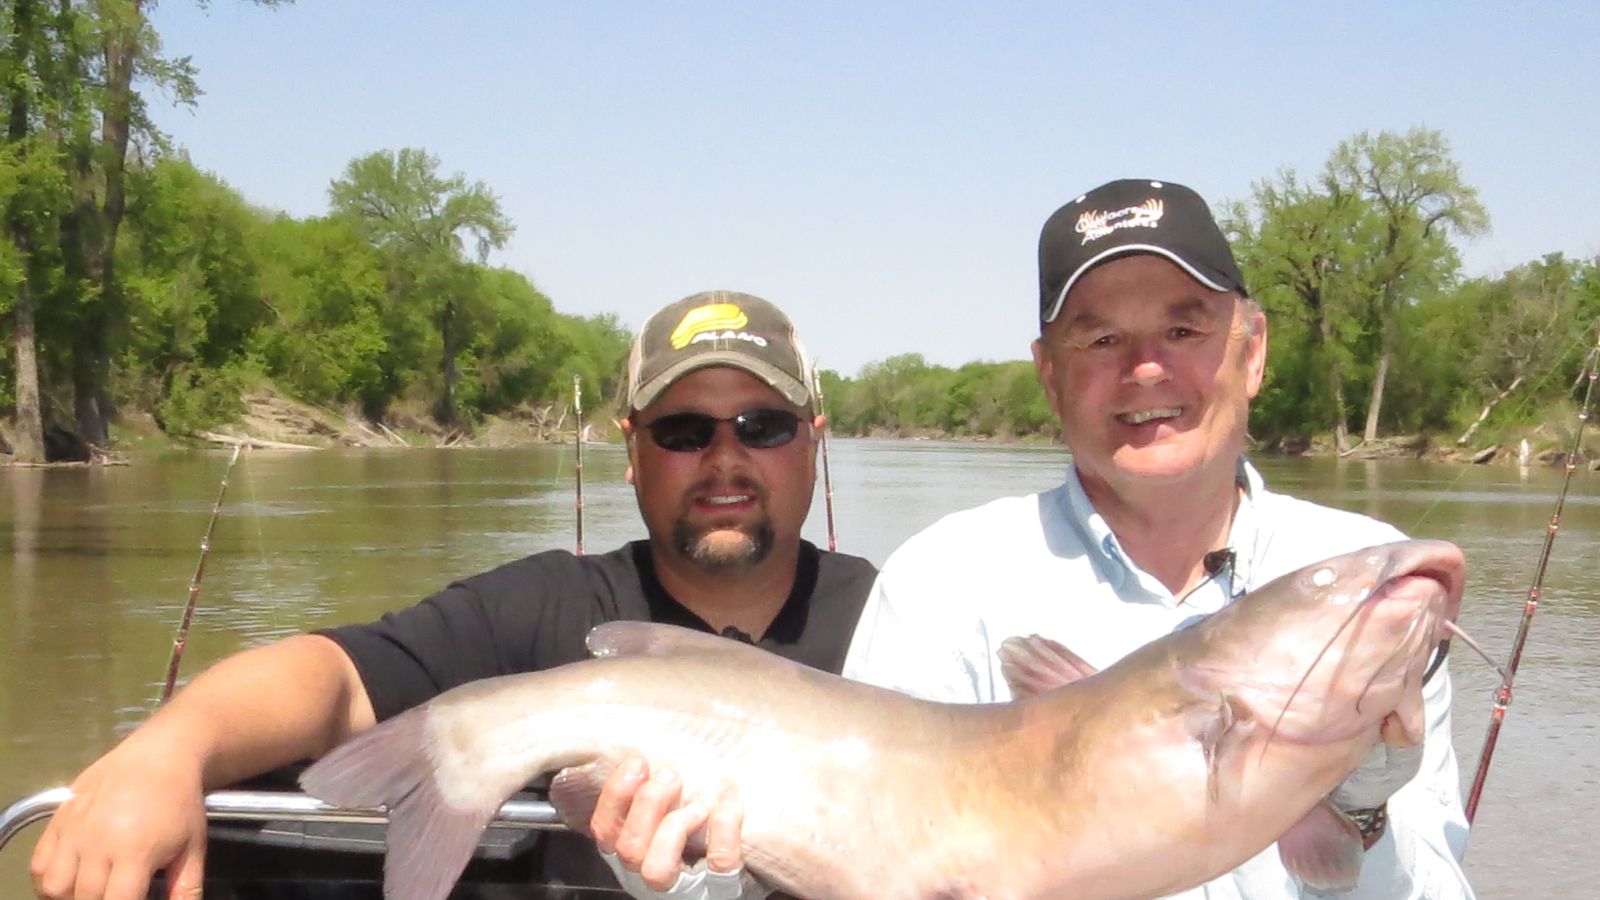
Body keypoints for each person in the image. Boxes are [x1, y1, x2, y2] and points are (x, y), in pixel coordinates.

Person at [29, 290, 878, 900]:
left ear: (813, 441)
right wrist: (169, 750)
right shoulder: (546, 607)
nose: (724, 460)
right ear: (632, 451)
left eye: (762, 426)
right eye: (684, 432)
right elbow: (332, 676)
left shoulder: (903, 621)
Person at [841, 179, 1475, 899]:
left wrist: (1363, 813)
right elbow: (875, 857)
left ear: (1254, 350)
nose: (1145, 369)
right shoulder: (944, 583)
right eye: (1103, 338)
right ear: (1050, 375)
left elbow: (1436, 888)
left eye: (1183, 331)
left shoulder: (1366, 583)